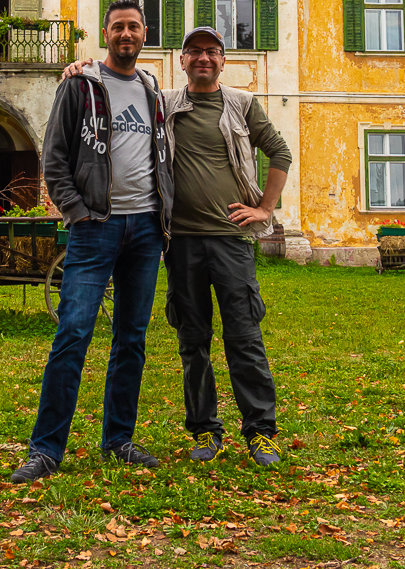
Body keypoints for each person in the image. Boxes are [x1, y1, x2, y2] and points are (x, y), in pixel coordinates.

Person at [63, 25, 291, 467]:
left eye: (212, 51)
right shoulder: (162, 102)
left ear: (223, 61)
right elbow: (118, 81)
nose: (203, 58)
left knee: (244, 338)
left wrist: (264, 207)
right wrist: (82, 66)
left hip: (230, 241)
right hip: (180, 242)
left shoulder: (242, 105)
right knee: (193, 341)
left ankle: (261, 432)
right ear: (182, 60)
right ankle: (205, 430)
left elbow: (279, 153)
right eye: (194, 52)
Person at [9, 0, 173, 484]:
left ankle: (118, 440)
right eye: (118, 27)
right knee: (73, 333)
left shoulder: (152, 90)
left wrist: (164, 218)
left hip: (145, 229)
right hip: (95, 227)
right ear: (106, 34)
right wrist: (77, 213)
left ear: (146, 34)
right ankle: (46, 450)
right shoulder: (80, 84)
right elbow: (54, 160)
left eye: (135, 27)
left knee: (132, 339)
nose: (127, 34)